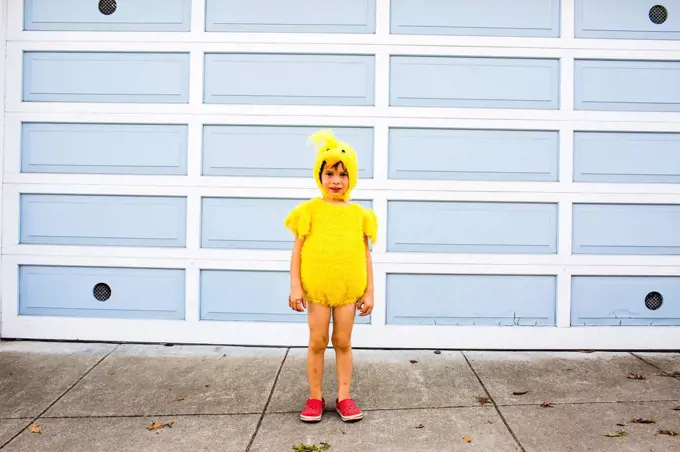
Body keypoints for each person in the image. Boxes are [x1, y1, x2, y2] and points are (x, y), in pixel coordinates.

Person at [284, 129, 378, 423]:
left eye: (343, 174)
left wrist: (369, 291)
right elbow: (297, 251)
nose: (336, 181)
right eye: (329, 174)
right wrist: (295, 287)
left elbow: (365, 254)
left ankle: (344, 396)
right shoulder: (309, 211)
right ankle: (314, 396)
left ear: (352, 178)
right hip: (318, 291)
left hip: (348, 291)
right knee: (317, 340)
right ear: (319, 176)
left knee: (342, 341)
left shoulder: (359, 215)